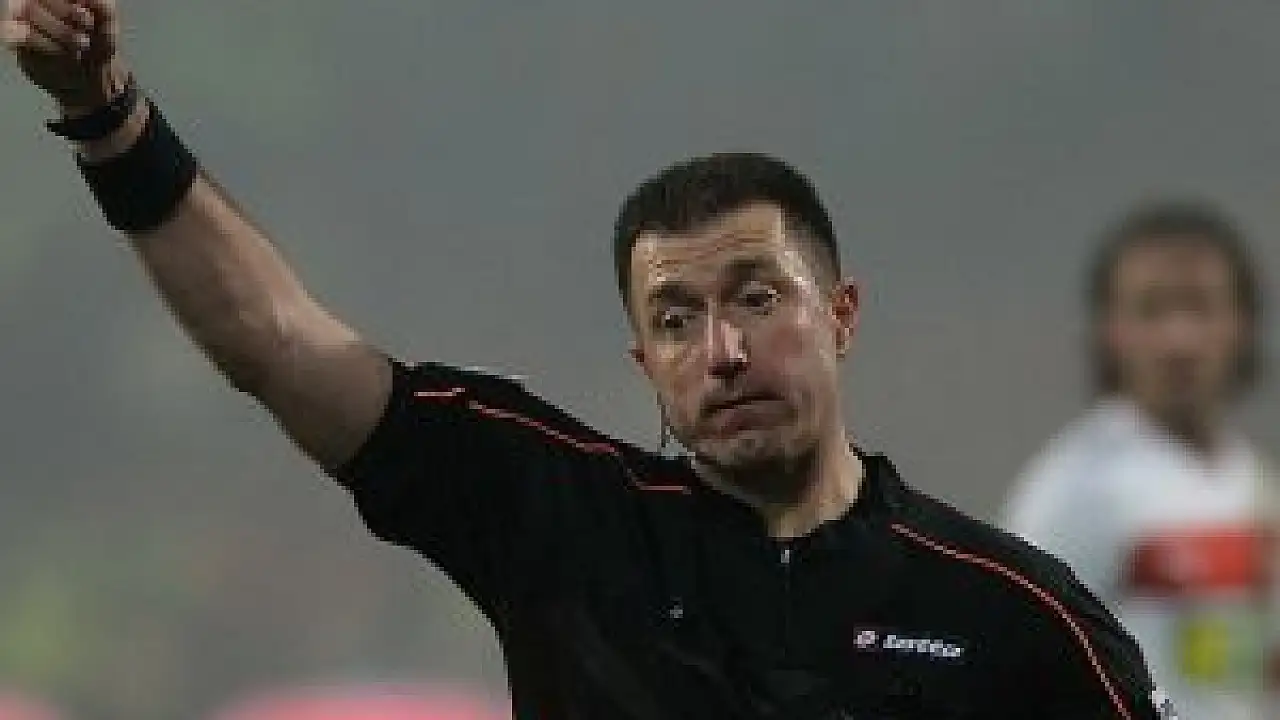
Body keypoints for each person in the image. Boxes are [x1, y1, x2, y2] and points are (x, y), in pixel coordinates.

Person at [3, 2, 1170, 718]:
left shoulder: (1011, 612)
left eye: (755, 298)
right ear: (642, 359)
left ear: (840, 313)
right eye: (675, 319)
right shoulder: (556, 519)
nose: (721, 350)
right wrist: (106, 118)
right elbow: (274, 343)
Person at [1002, 201, 1274, 720]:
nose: (1179, 339)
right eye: (1152, 310)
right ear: (1111, 331)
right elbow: (1015, 658)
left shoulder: (1251, 481)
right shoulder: (1079, 488)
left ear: (1241, 324)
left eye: (1200, 306)